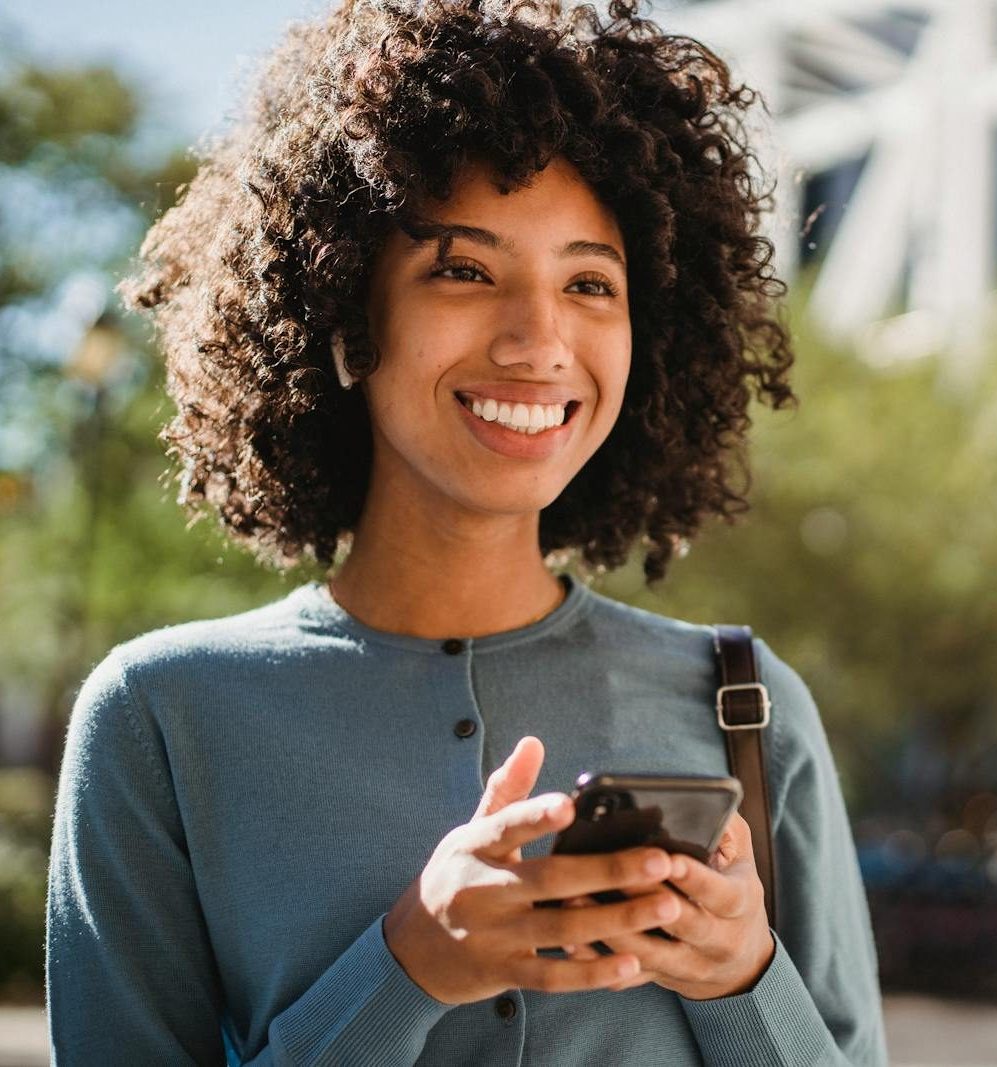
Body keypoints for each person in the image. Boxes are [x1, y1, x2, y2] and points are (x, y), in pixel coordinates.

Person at [45, 0, 889, 1062]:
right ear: (346, 322)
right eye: (463, 269)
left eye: (590, 283)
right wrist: (411, 961)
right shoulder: (161, 717)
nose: (539, 339)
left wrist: (741, 975)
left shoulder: (744, 705)